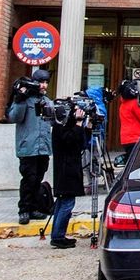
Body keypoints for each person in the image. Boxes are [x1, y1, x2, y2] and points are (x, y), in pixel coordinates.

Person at [7, 69, 53, 224]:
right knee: (29, 178)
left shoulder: (47, 101)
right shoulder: (25, 100)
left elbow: (52, 121)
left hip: (43, 147)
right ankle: (24, 209)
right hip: (28, 147)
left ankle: (34, 208)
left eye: (46, 82)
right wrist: (19, 100)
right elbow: (14, 117)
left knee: (38, 178)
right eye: (41, 82)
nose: (44, 85)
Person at [49, 98, 89, 249]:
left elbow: (81, 144)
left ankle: (58, 234)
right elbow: (71, 140)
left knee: (62, 203)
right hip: (66, 172)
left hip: (68, 170)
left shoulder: (64, 126)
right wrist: (78, 123)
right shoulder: (60, 128)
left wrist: (86, 125)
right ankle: (58, 236)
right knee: (66, 203)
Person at [117, 79, 140, 159]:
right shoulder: (133, 103)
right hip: (135, 138)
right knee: (137, 165)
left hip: (126, 138)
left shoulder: (123, 104)